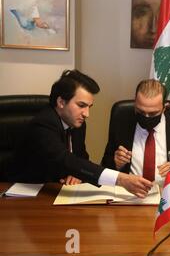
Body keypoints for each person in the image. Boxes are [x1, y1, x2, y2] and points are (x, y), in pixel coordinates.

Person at [10, 70, 152, 198]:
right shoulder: (43, 124)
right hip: (24, 197)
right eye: (81, 105)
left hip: (58, 193)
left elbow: (80, 159)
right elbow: (65, 159)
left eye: (89, 107)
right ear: (61, 102)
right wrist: (121, 179)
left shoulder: (77, 123)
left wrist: (76, 172)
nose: (86, 114)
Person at [101, 79, 170, 187]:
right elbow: (105, 166)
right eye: (141, 112)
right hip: (129, 193)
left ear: (164, 108)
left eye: (152, 113)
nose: (146, 117)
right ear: (135, 104)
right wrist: (116, 163)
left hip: (169, 193)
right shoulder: (122, 122)